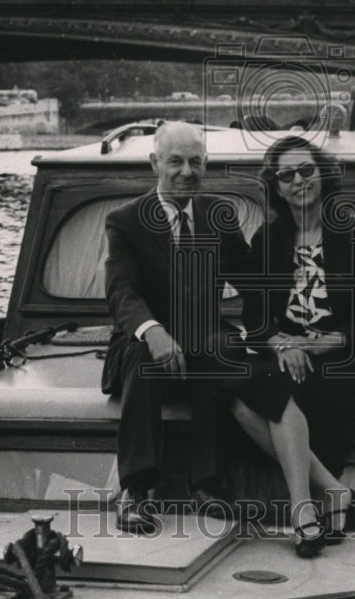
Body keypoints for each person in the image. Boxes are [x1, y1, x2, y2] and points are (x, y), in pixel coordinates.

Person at [224, 134, 355, 557]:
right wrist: (281, 343)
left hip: (346, 357)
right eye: (287, 175)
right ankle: (328, 496)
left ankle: (305, 513)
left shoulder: (353, 232)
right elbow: (256, 317)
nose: (299, 180)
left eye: (306, 170)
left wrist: (319, 345)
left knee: (272, 393)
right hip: (289, 356)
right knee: (241, 400)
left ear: (322, 175)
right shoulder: (267, 240)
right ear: (276, 187)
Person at [102, 121, 251, 533]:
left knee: (226, 346)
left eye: (195, 162)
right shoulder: (125, 221)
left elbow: (253, 279)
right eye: (175, 161)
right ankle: (136, 490)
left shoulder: (218, 215)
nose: (187, 171)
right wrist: (152, 330)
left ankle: (207, 484)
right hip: (145, 346)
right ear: (155, 163)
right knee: (142, 352)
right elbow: (122, 292)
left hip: (202, 342)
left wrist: (287, 328)